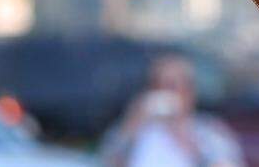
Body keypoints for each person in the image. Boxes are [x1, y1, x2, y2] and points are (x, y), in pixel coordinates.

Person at [100, 54, 244, 167]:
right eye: (157, 84)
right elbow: (107, 161)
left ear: (189, 91)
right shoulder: (136, 127)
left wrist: (185, 139)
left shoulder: (210, 131)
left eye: (171, 85)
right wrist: (131, 125)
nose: (164, 91)